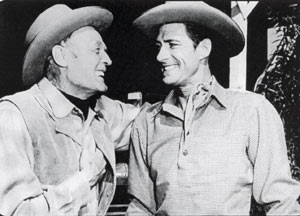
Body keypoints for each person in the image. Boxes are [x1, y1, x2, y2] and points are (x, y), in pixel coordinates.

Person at [127, 1, 300, 215]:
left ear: (203, 49)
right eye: (158, 46)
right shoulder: (147, 121)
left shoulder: (251, 110)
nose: (160, 56)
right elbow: (140, 207)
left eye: (172, 44)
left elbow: (282, 202)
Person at [0, 4, 139, 216]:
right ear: (61, 56)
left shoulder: (103, 111)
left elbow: (152, 122)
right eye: (96, 50)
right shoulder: (14, 116)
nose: (107, 60)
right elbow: (17, 212)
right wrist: (86, 179)